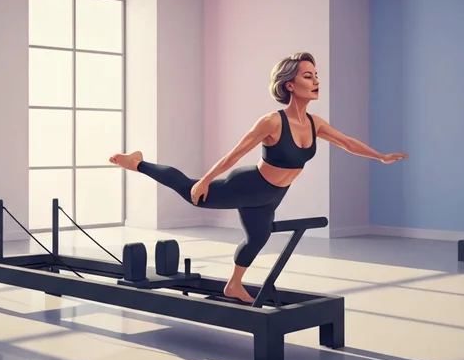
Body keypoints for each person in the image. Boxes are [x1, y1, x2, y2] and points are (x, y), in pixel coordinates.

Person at [109, 52, 408, 304]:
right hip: (247, 185)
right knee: (190, 190)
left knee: (258, 238)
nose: (316, 81)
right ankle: (138, 163)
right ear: (289, 84)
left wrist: (380, 156)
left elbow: (348, 143)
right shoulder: (271, 122)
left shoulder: (316, 123)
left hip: (271, 196)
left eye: (316, 75)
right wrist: (206, 181)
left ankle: (234, 285)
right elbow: (235, 154)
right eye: (308, 76)